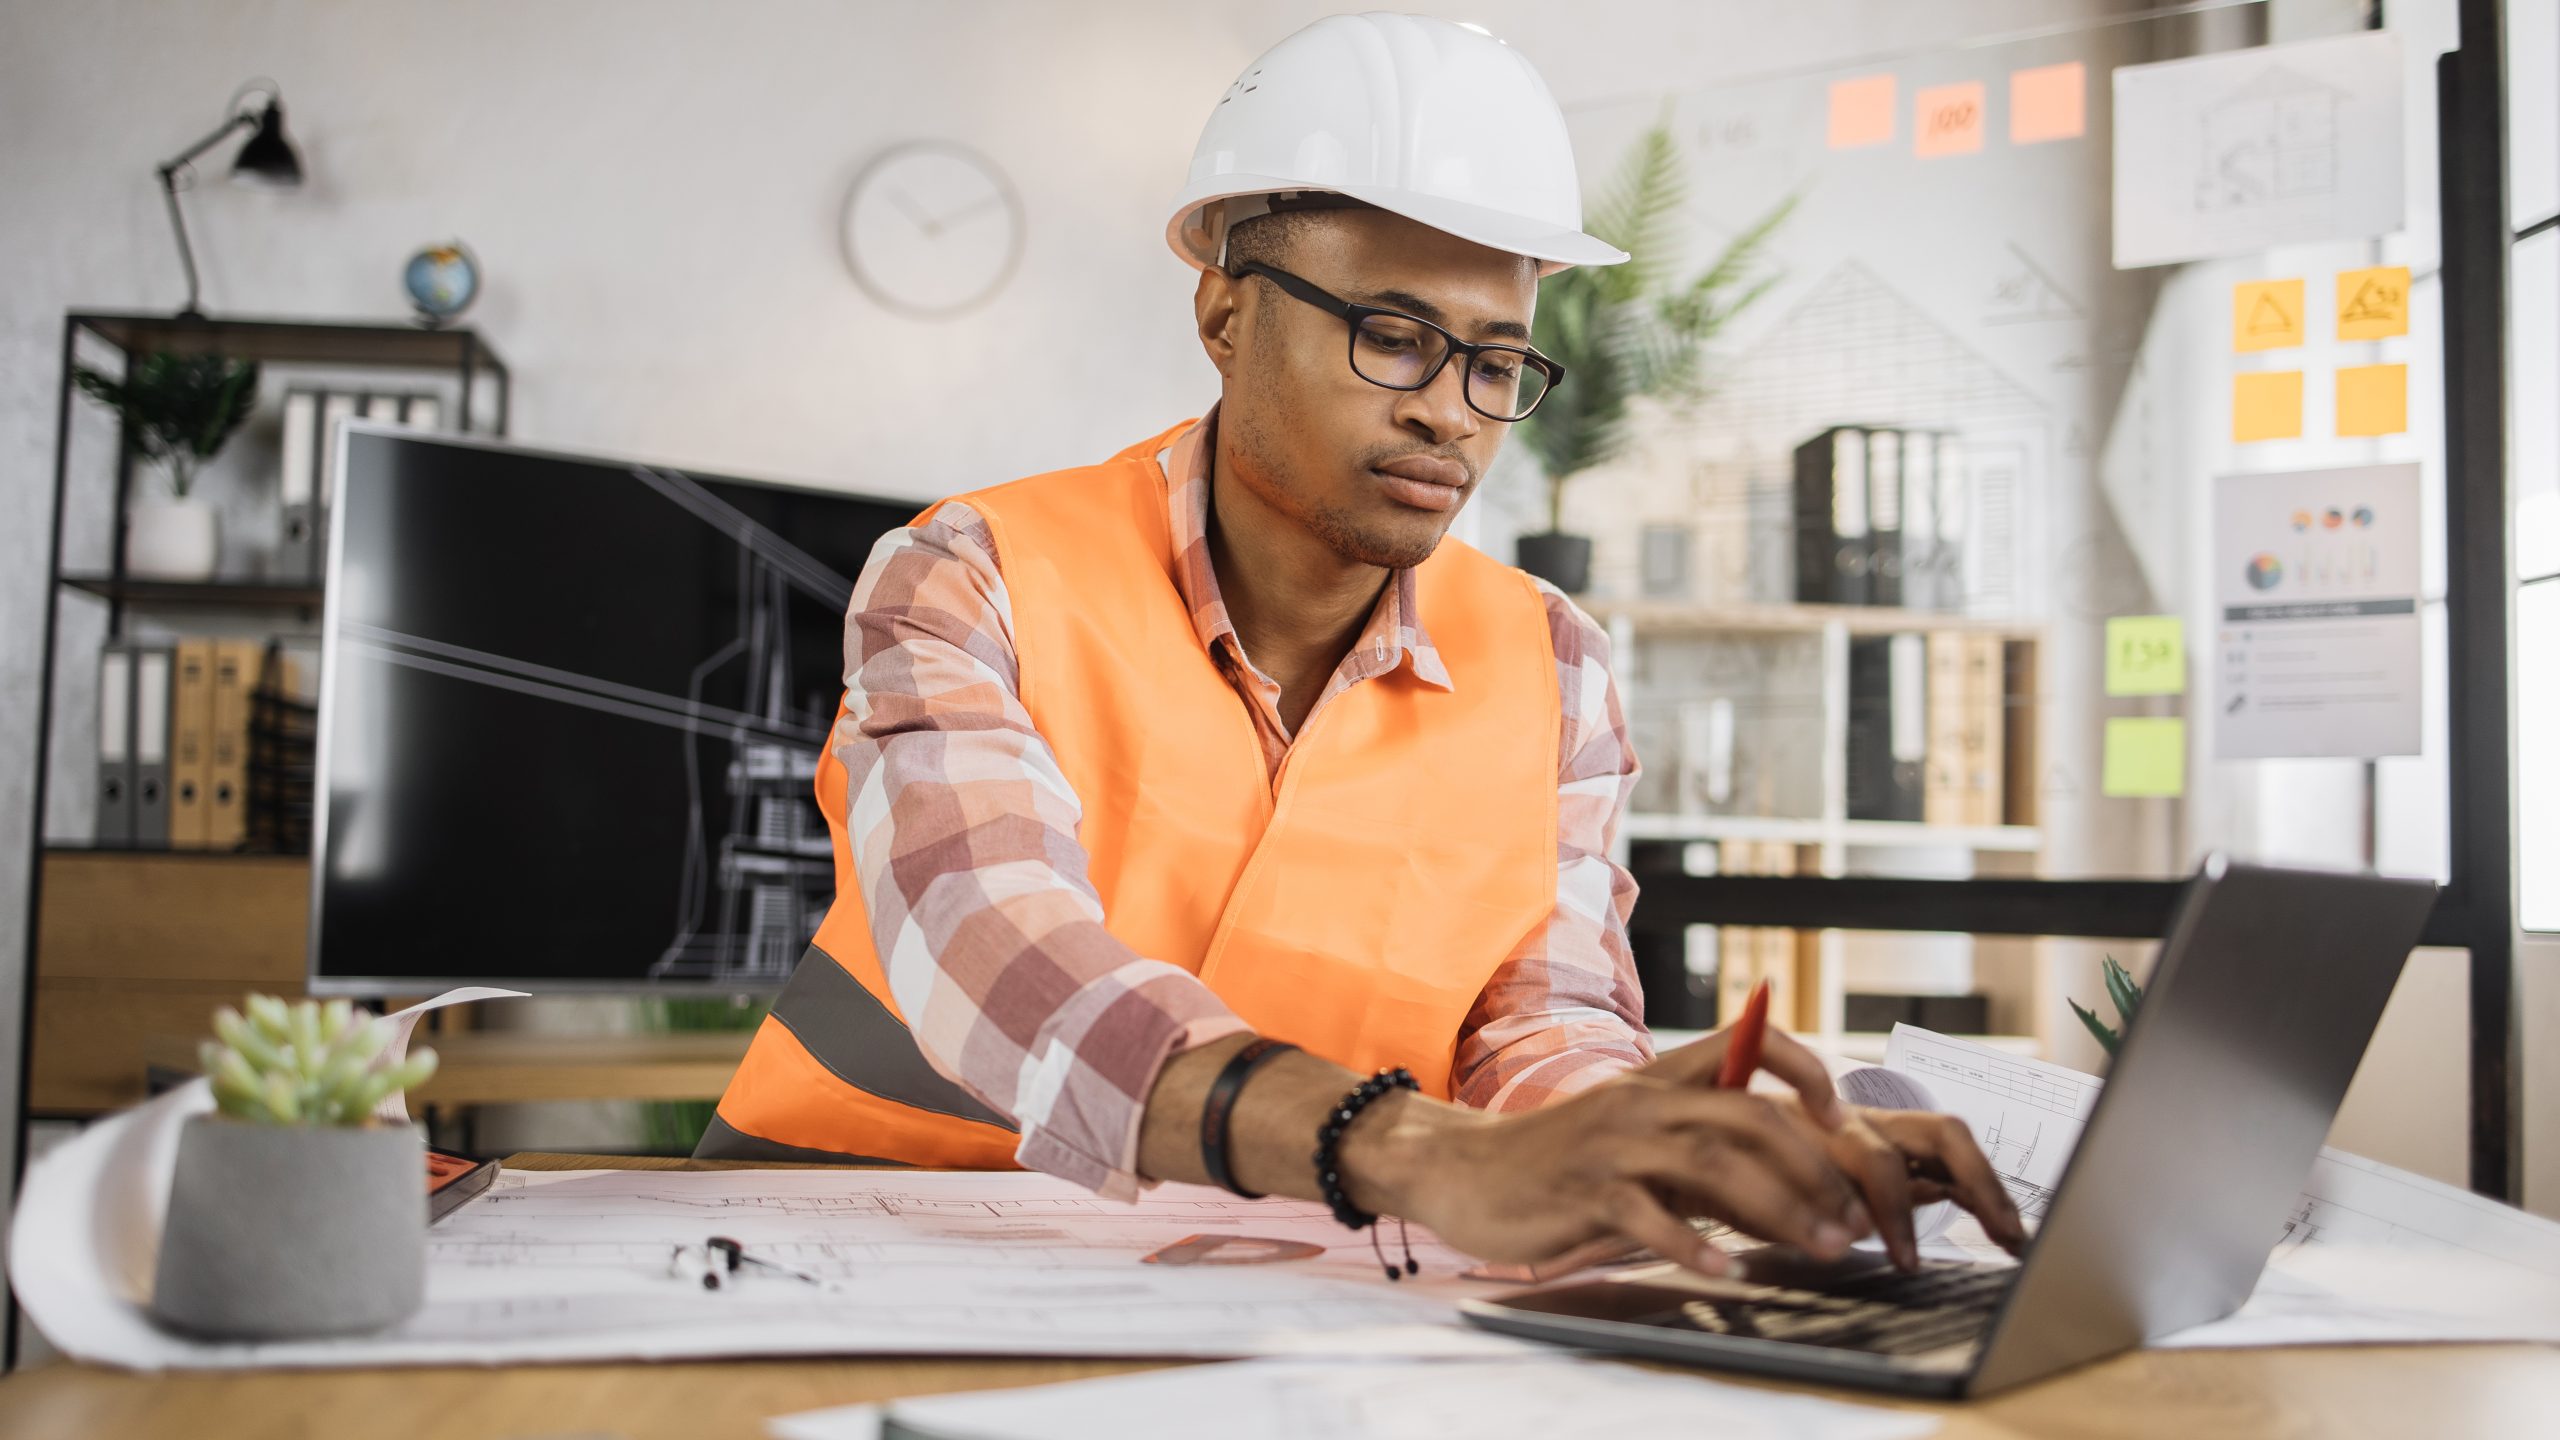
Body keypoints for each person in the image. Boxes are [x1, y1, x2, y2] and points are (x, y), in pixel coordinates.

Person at [703, 12, 2027, 1278]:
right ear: (1224, 314)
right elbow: (999, 953)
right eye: (1394, 338)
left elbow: (1541, 1025)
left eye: (1495, 363)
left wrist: (1654, 1150)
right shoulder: (973, 573)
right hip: (844, 1241)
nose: (1454, 413)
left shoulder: (1549, 661)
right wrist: (1403, 1146)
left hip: (1285, 1272)